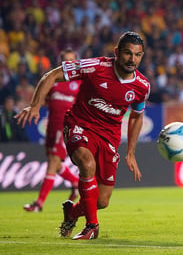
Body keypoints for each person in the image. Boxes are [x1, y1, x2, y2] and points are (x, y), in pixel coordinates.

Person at [15, 31, 150, 240]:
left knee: (102, 201)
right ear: (117, 52)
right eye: (128, 53)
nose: (133, 59)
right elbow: (51, 75)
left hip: (109, 137)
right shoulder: (96, 67)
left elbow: (136, 116)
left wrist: (130, 152)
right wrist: (35, 105)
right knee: (87, 164)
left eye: (138, 55)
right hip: (80, 125)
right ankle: (91, 226)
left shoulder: (142, 86)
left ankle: (72, 212)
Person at [23, 49, 81, 212]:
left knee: (52, 162)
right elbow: (43, 99)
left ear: (76, 62)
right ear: (61, 62)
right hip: (51, 126)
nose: (69, 63)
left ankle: (39, 203)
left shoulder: (79, 82)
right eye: (66, 60)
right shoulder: (54, 80)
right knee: (54, 163)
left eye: (72, 60)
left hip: (64, 127)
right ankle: (76, 183)